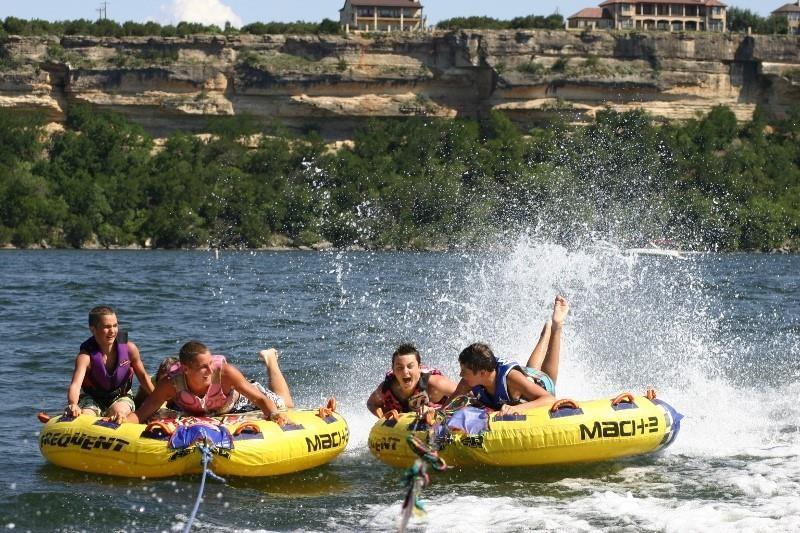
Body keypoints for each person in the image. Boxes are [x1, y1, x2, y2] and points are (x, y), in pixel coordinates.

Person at [124, 341, 293, 425]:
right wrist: (121, 423)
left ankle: (271, 360)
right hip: (208, 411)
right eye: (203, 367)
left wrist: (274, 414)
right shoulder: (171, 383)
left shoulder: (226, 373)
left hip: (241, 400)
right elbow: (142, 413)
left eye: (211, 363)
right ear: (186, 369)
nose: (211, 370)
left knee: (286, 404)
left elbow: (261, 400)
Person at [453, 295, 569, 415]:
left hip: (540, 384)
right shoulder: (467, 382)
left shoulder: (511, 379)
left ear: (482, 373)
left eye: (464, 371)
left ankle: (556, 327)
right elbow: (447, 407)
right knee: (530, 372)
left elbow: (549, 399)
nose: (460, 374)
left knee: (545, 376)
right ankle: (545, 334)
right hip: (526, 375)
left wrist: (518, 409)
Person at [65, 306, 154, 419]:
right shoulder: (85, 357)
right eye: (107, 327)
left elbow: (143, 378)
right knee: (87, 415)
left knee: (119, 412)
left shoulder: (130, 349)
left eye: (115, 326)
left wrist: (159, 403)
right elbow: (76, 385)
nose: (112, 331)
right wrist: (73, 404)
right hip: (92, 398)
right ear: (93, 329)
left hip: (121, 396)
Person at [367, 343, 457, 418]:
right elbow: (371, 404)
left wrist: (438, 412)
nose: (405, 372)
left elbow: (467, 395)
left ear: (419, 368)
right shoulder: (386, 389)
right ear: (393, 370)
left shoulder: (435, 385)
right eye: (399, 368)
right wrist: (384, 417)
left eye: (410, 366)